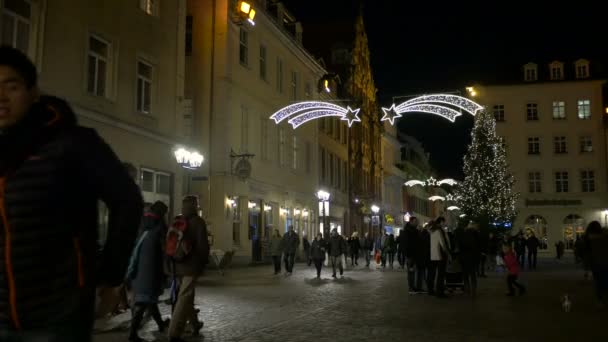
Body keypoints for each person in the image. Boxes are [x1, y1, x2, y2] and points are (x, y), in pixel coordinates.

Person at [0, 46, 143, 342]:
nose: (1, 97)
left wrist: (111, 276)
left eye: (11, 87)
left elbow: (126, 201)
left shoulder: (73, 144)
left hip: (56, 317)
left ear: (33, 91)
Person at [167, 196, 209, 342]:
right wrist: (203, 264)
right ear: (195, 205)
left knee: (187, 297)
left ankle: (195, 324)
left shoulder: (178, 221)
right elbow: (203, 246)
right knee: (184, 298)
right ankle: (174, 333)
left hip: (177, 265)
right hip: (191, 267)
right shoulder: (198, 222)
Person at [128, 202, 170, 342]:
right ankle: (132, 334)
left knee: (149, 300)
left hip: (140, 267)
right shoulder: (159, 226)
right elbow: (165, 249)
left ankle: (161, 325)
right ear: (162, 213)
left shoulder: (143, 223)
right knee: (144, 301)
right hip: (151, 268)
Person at [584, 221, 608, 306]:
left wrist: (587, 269)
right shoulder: (605, 236)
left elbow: (587, 254)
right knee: (604, 281)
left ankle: (600, 299)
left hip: (596, 264)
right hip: (604, 263)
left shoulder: (588, 239)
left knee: (599, 282)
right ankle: (603, 298)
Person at [457, 221, 481, 297]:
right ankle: (473, 291)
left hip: (464, 257)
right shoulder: (476, 234)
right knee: (472, 274)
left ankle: (467, 290)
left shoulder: (462, 234)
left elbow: (459, 245)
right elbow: (478, 246)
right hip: (472, 257)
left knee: (465, 275)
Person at [428, 217, 450, 298]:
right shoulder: (439, 231)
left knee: (432, 274)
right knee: (441, 275)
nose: (444, 224)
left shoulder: (431, 230)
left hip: (432, 255)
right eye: (444, 222)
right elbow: (443, 244)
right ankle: (439, 292)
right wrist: (447, 253)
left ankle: (431, 290)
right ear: (441, 222)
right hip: (440, 255)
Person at [403, 217, 420, 293]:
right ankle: (411, 288)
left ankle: (412, 287)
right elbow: (409, 244)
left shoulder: (412, 230)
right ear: (411, 222)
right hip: (410, 255)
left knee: (412, 271)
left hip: (413, 254)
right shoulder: (409, 231)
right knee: (411, 271)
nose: (417, 223)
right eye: (416, 221)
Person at [416, 222, 432, 293]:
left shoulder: (421, 235)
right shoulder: (427, 235)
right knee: (424, 273)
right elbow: (427, 246)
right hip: (425, 256)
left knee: (421, 273)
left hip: (421, 257)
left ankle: (420, 287)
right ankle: (425, 287)